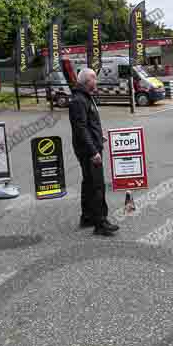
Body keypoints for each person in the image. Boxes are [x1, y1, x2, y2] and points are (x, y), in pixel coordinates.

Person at [69, 68, 119, 236]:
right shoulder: (79, 100)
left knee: (89, 183)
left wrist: (99, 137)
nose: (96, 82)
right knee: (97, 185)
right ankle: (101, 223)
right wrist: (93, 151)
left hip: (90, 146)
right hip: (88, 151)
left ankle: (88, 217)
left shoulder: (85, 97)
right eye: (94, 79)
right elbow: (80, 129)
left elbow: (88, 125)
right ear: (86, 81)